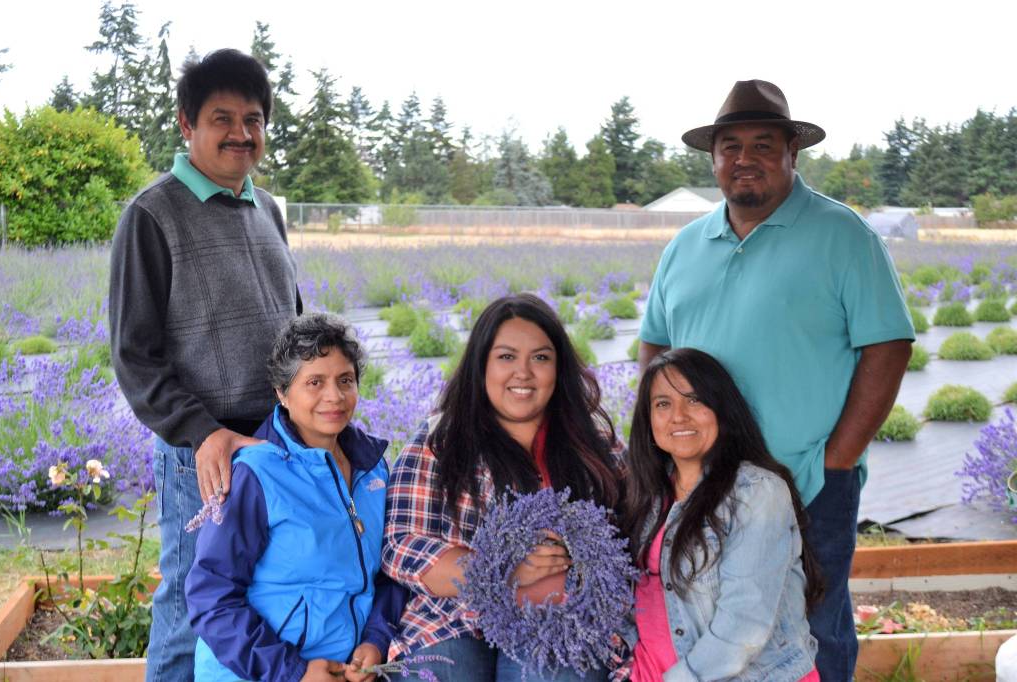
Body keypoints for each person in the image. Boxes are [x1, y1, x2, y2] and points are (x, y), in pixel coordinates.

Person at [637, 79, 914, 681]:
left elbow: (889, 345)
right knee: (707, 627)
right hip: (699, 486)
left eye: (763, 145)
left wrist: (838, 458)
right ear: (713, 159)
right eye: (730, 146)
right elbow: (655, 344)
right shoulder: (685, 247)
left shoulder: (843, 236)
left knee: (811, 635)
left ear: (793, 152)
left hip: (807, 479)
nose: (744, 159)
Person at [108, 48, 301, 681]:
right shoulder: (151, 215)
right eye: (223, 118)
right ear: (188, 124)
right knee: (195, 607)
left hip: (275, 445)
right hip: (205, 453)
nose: (242, 134)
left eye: (254, 119)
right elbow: (135, 357)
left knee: (264, 599)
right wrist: (203, 434)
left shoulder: (267, 209)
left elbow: (294, 327)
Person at [381, 293, 626, 681]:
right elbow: (401, 545)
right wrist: (502, 571)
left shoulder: (594, 444)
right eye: (507, 357)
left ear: (559, 368)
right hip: (452, 616)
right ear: (482, 365)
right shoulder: (441, 440)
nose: (523, 373)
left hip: (560, 617)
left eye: (540, 358)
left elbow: (633, 533)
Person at [185, 313, 405, 682]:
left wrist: (376, 640)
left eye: (345, 380)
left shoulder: (373, 469)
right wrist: (293, 673)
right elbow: (211, 597)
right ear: (282, 393)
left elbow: (391, 571)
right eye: (315, 382)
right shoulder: (256, 476)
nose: (334, 396)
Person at [618, 348, 822, 681]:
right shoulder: (645, 494)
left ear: (722, 409)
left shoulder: (757, 492)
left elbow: (744, 624)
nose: (679, 416)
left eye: (695, 400)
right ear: (648, 418)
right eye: (663, 404)